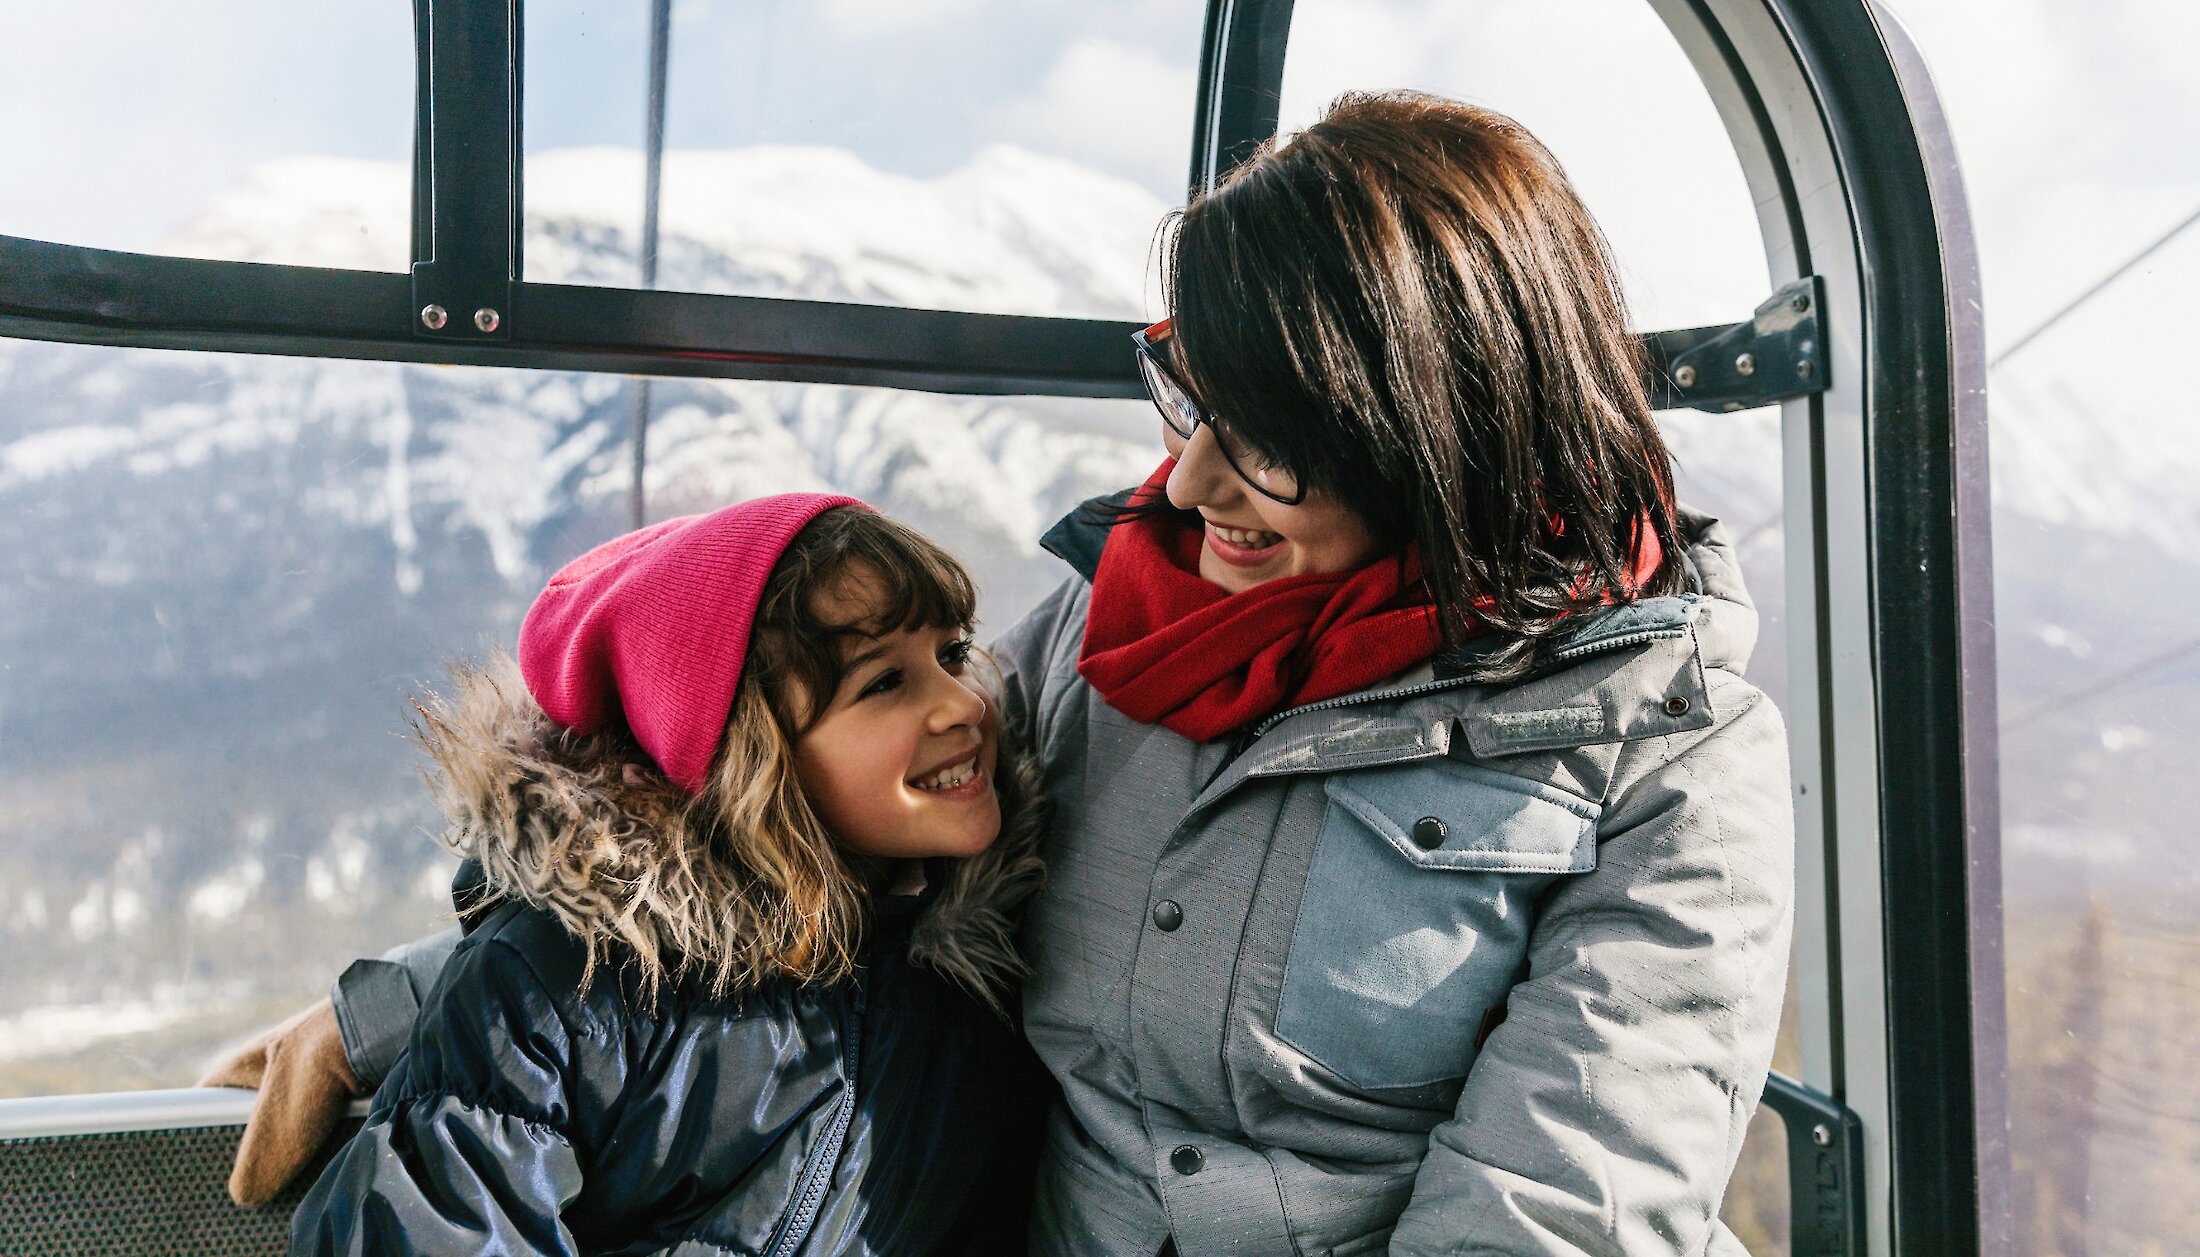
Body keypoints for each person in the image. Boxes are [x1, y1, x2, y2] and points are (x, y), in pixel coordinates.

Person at [215, 90, 1792, 1255]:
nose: (1188, 490)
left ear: (1433, 439)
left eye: (1270, 449)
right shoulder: (1126, 632)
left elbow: (1561, 1201)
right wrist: (407, 1007)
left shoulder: (1660, 750)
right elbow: (798, 852)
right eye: (1193, 409)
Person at [278, 495, 1051, 1255]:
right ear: (756, 756)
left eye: (952, 654)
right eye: (883, 682)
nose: (963, 704)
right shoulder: (559, 992)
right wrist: (376, 1009)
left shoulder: (980, 960)